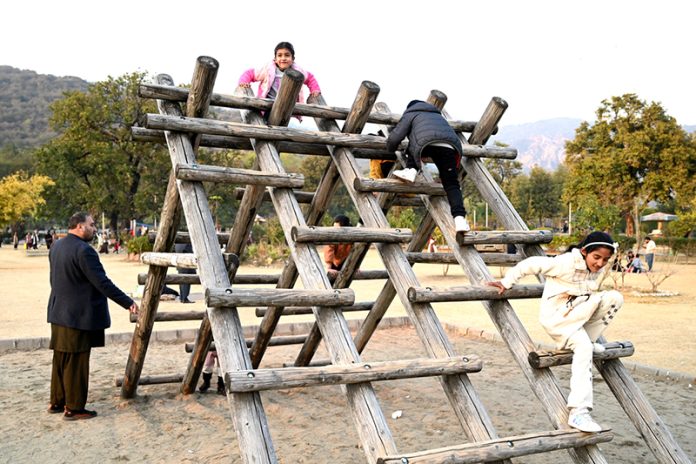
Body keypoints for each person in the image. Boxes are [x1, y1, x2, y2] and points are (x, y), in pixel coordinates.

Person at [487, 231, 623, 433]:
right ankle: (579, 411)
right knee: (584, 347)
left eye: (605, 259)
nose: (600, 263)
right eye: (596, 257)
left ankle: (585, 340)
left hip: (576, 315)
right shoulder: (565, 263)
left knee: (614, 298)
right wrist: (507, 282)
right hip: (557, 319)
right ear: (585, 252)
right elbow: (530, 264)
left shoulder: (597, 269)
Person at [47, 212, 138, 420]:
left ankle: (57, 401)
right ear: (80, 226)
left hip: (58, 310)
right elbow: (102, 282)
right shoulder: (84, 251)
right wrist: (128, 303)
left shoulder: (56, 246)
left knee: (61, 358)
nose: (95, 228)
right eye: (92, 224)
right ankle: (74, 408)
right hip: (77, 314)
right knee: (77, 361)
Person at [386, 100, 470, 234]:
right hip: (450, 147)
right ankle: (460, 219)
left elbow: (396, 137)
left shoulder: (411, 113)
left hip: (424, 144)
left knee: (414, 144)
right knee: (452, 184)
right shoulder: (438, 116)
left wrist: (390, 149)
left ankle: (411, 170)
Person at [238, 41, 321, 112]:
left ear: (293, 58)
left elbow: (310, 78)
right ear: (275, 59)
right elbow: (250, 73)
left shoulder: (298, 72)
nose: (283, 58)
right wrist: (243, 82)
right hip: (268, 104)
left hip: (286, 107)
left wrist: (315, 90)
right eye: (280, 55)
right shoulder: (268, 70)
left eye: (287, 55)